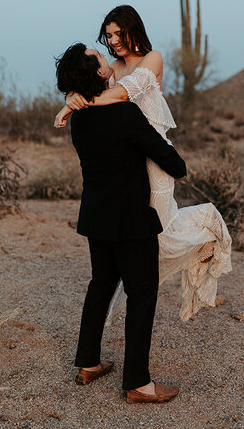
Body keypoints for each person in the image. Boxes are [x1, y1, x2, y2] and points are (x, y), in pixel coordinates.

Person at [55, 5, 232, 323]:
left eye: (119, 33)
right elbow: (87, 82)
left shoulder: (153, 59)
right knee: (142, 238)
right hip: (128, 161)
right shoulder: (111, 68)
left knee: (160, 227)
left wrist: (74, 105)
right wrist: (71, 95)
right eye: (108, 36)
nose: (114, 41)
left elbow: (123, 95)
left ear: (133, 29)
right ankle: (182, 253)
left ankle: (202, 239)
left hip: (155, 157)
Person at [55, 43, 186, 403]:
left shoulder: (79, 118)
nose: (107, 57)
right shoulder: (125, 115)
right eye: (100, 56)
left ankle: (88, 363)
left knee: (100, 286)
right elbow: (171, 161)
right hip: (131, 221)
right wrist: (174, 163)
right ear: (99, 73)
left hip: (96, 218)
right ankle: (138, 383)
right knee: (142, 295)